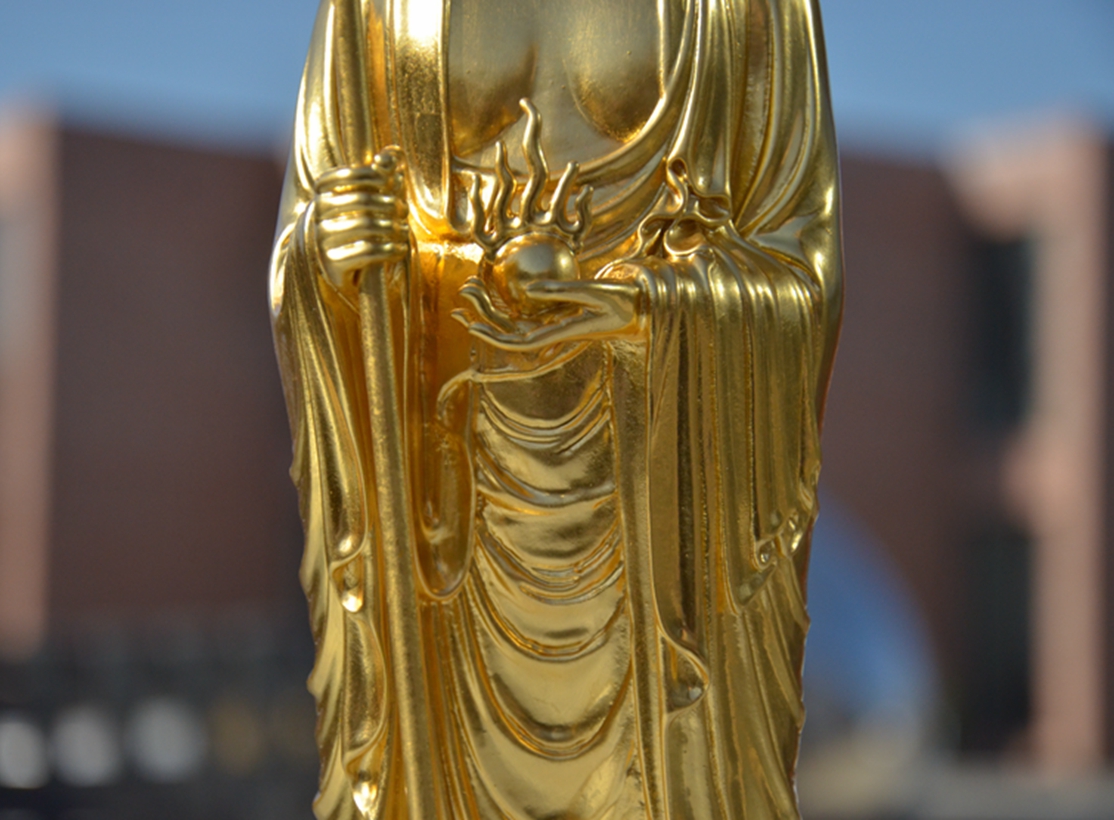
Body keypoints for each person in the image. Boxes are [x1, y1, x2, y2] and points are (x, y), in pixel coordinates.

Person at [269, 1, 841, 818]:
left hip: (660, 521)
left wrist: (634, 309)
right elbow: (312, 225)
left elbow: (803, 275)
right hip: (446, 504)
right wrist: (330, 249)